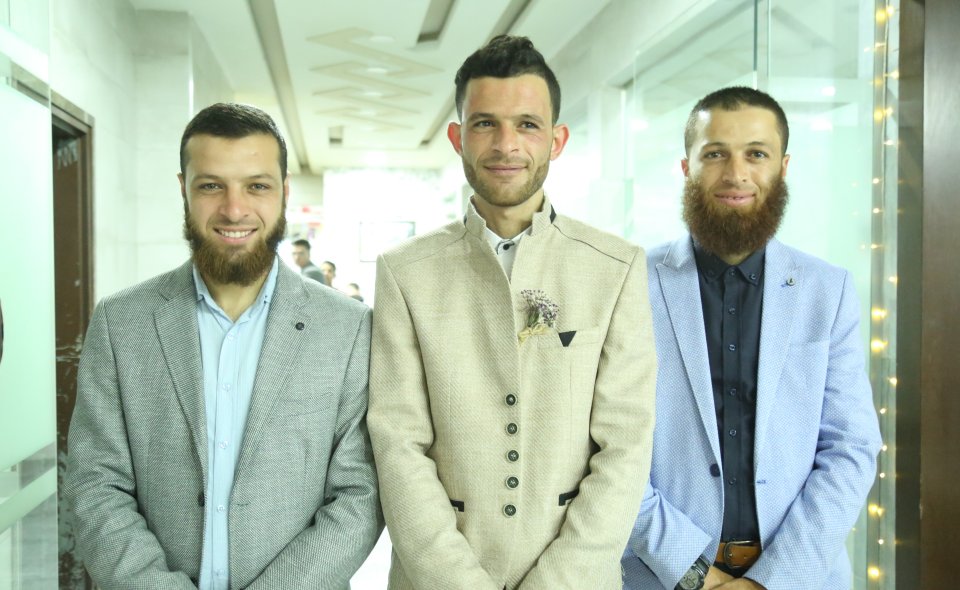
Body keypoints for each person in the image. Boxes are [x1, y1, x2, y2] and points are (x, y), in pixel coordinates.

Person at [368, 35, 657, 589]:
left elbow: (626, 444)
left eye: (527, 124)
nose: (506, 145)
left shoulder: (615, 267)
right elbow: (398, 444)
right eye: (485, 124)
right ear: (457, 137)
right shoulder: (405, 272)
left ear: (556, 139)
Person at [64, 102, 382, 590]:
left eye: (257, 186)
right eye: (211, 186)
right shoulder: (120, 323)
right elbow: (95, 484)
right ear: (184, 190)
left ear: (284, 191)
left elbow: (360, 494)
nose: (234, 209)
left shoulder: (349, 328)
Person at [622, 87, 881, 590]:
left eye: (756, 154)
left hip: (802, 577)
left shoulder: (828, 291)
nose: (736, 173)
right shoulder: (628, 285)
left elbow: (850, 447)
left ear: (783, 167)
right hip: (662, 576)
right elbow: (608, 449)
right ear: (687, 168)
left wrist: (769, 581)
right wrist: (695, 573)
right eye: (715, 154)